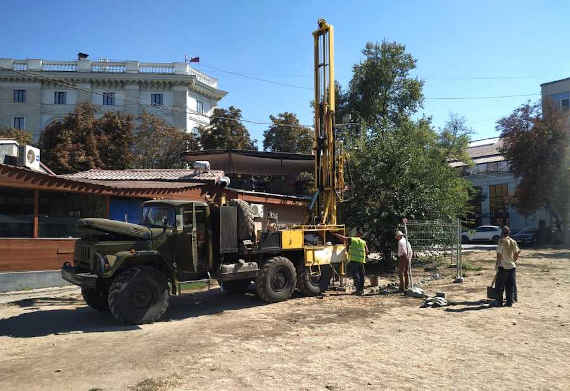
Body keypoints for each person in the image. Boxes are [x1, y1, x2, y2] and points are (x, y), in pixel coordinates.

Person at [332, 230, 368, 295]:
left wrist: (335, 234)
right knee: (362, 276)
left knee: (356, 276)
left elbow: (343, 238)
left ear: (357, 234)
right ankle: (361, 290)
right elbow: (367, 251)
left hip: (354, 261)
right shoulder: (363, 242)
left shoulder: (353, 239)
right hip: (361, 261)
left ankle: (358, 290)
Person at [495, 226, 520, 307]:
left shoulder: (501, 241)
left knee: (500, 285)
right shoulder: (513, 241)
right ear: (509, 232)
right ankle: (509, 302)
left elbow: (499, 254)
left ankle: (499, 302)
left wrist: (497, 264)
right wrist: (513, 261)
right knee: (510, 285)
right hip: (512, 267)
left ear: (502, 232)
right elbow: (517, 253)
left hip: (503, 266)